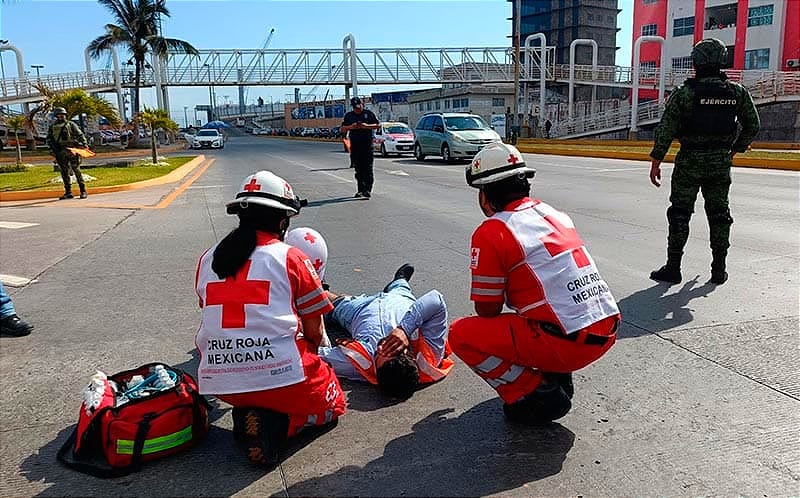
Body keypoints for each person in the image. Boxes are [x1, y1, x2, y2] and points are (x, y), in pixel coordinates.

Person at [449, 142, 620, 424]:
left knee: (460, 334)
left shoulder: (493, 230)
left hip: (566, 343)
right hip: (604, 330)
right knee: (534, 311)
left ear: (485, 194)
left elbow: (487, 309)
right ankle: (554, 374)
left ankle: (534, 391)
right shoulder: (554, 213)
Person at [194, 171, 346, 468]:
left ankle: (253, 412)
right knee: (335, 404)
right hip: (284, 382)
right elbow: (315, 333)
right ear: (282, 222)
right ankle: (278, 424)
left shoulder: (207, 258)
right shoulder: (291, 258)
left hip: (223, 386)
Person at [649, 38, 760, 285]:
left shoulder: (685, 93)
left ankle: (673, 268)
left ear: (696, 62)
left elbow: (666, 129)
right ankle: (718, 270)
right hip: (720, 162)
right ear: (721, 60)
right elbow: (753, 125)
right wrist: (734, 149)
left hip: (689, 161)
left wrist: (657, 160)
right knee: (720, 214)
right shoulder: (737, 92)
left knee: (679, 214)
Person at [318, 263, 454, 400]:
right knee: (401, 287)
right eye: (395, 347)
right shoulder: (431, 355)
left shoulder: (356, 365)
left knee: (330, 302)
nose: (385, 343)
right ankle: (399, 281)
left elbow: (314, 357)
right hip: (400, 298)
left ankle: (321, 288)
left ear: (375, 370)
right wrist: (403, 330)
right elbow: (436, 299)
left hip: (359, 311)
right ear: (411, 357)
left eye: (379, 351)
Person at [341, 97, 379, 198]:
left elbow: (377, 125)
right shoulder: (349, 116)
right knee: (358, 169)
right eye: (355, 108)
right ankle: (360, 190)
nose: (357, 109)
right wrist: (352, 127)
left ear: (362, 104)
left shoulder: (368, 114)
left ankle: (367, 190)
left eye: (358, 107)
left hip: (367, 145)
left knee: (368, 168)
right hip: (355, 145)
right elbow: (343, 128)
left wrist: (366, 126)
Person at [47, 107, 89, 200]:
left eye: (62, 114)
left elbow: (80, 135)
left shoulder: (71, 124)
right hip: (60, 151)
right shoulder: (53, 126)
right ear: (56, 116)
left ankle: (83, 191)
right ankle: (68, 192)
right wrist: (51, 149)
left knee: (76, 170)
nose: (61, 116)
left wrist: (84, 144)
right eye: (59, 114)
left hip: (72, 150)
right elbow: (49, 138)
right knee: (64, 172)